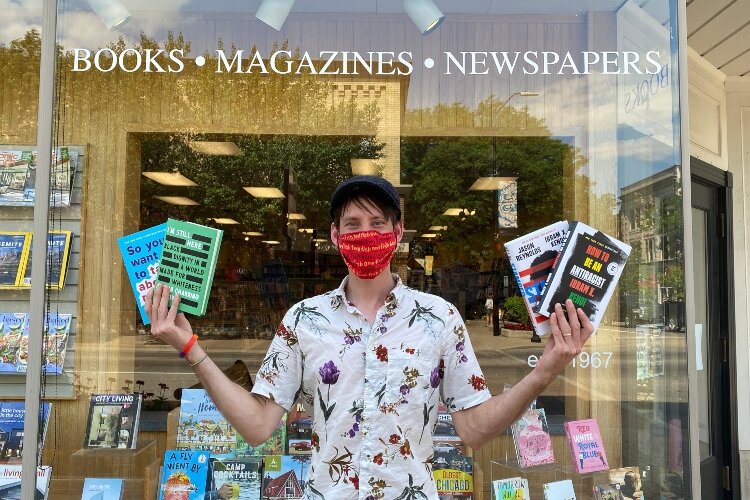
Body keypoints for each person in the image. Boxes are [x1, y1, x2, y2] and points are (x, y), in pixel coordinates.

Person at [147, 175, 594, 499]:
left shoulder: (440, 319)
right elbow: (258, 425)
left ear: (398, 233)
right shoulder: (303, 319)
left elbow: (474, 430)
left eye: (378, 223)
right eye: (353, 223)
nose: (366, 233)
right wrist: (191, 348)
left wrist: (547, 369)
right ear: (334, 236)